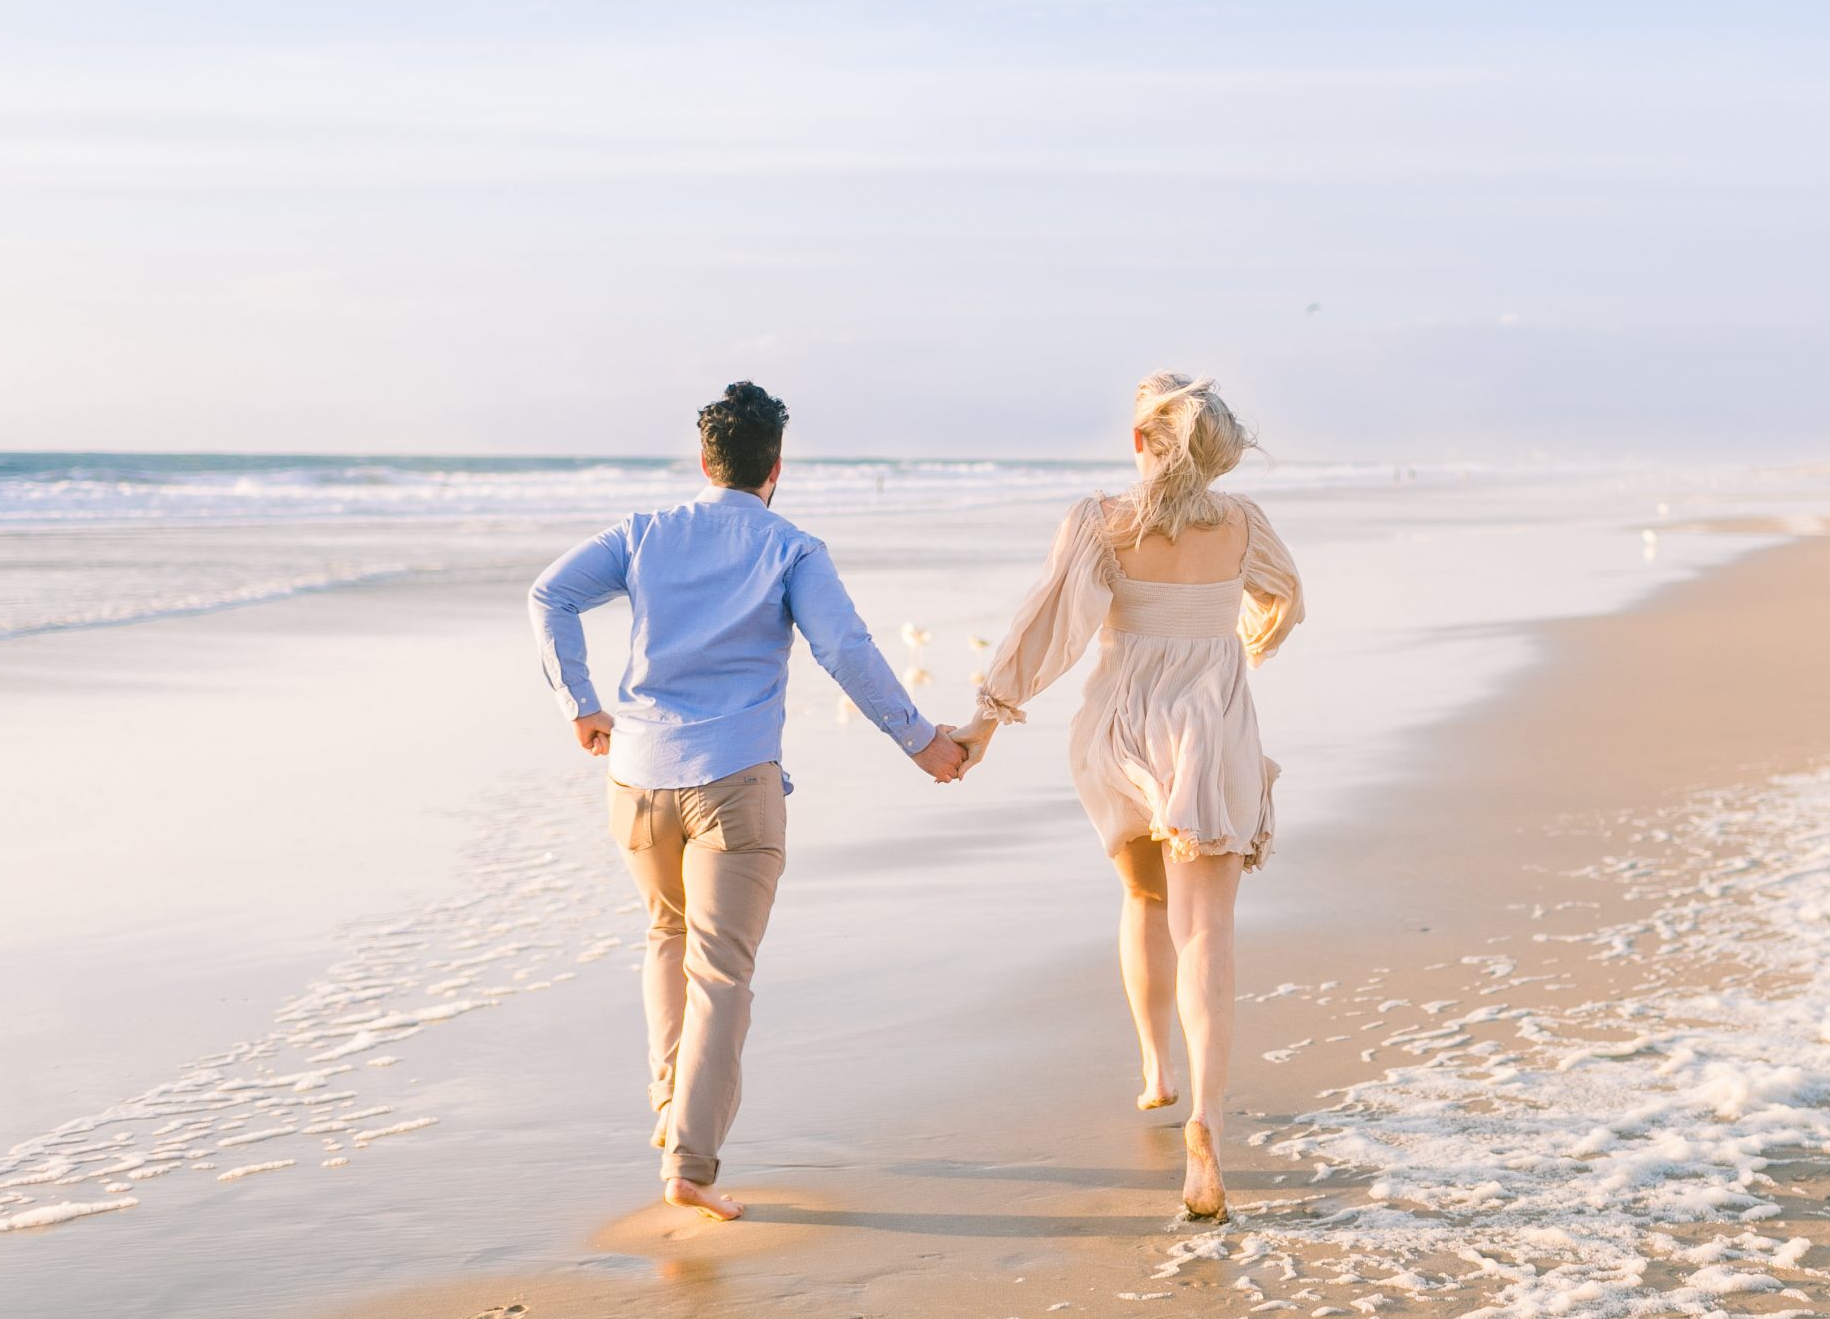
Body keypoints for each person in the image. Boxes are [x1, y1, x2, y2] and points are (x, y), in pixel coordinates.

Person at [528, 382, 968, 1223]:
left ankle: (671, 1118)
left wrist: (578, 703)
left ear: (704, 461)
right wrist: (920, 739)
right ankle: (691, 1164)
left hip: (638, 781)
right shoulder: (791, 547)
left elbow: (547, 594)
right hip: (734, 786)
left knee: (666, 935)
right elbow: (843, 645)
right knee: (721, 971)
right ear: (776, 468)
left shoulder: (644, 532)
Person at [950, 374, 1301, 1219]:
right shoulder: (1244, 523)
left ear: (1143, 442)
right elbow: (1285, 596)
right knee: (1206, 927)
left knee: (1144, 896)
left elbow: (1042, 631)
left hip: (1120, 732)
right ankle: (1207, 1126)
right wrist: (1245, 646)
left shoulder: (1101, 520)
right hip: (1209, 731)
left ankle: (1155, 1067)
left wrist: (983, 724)